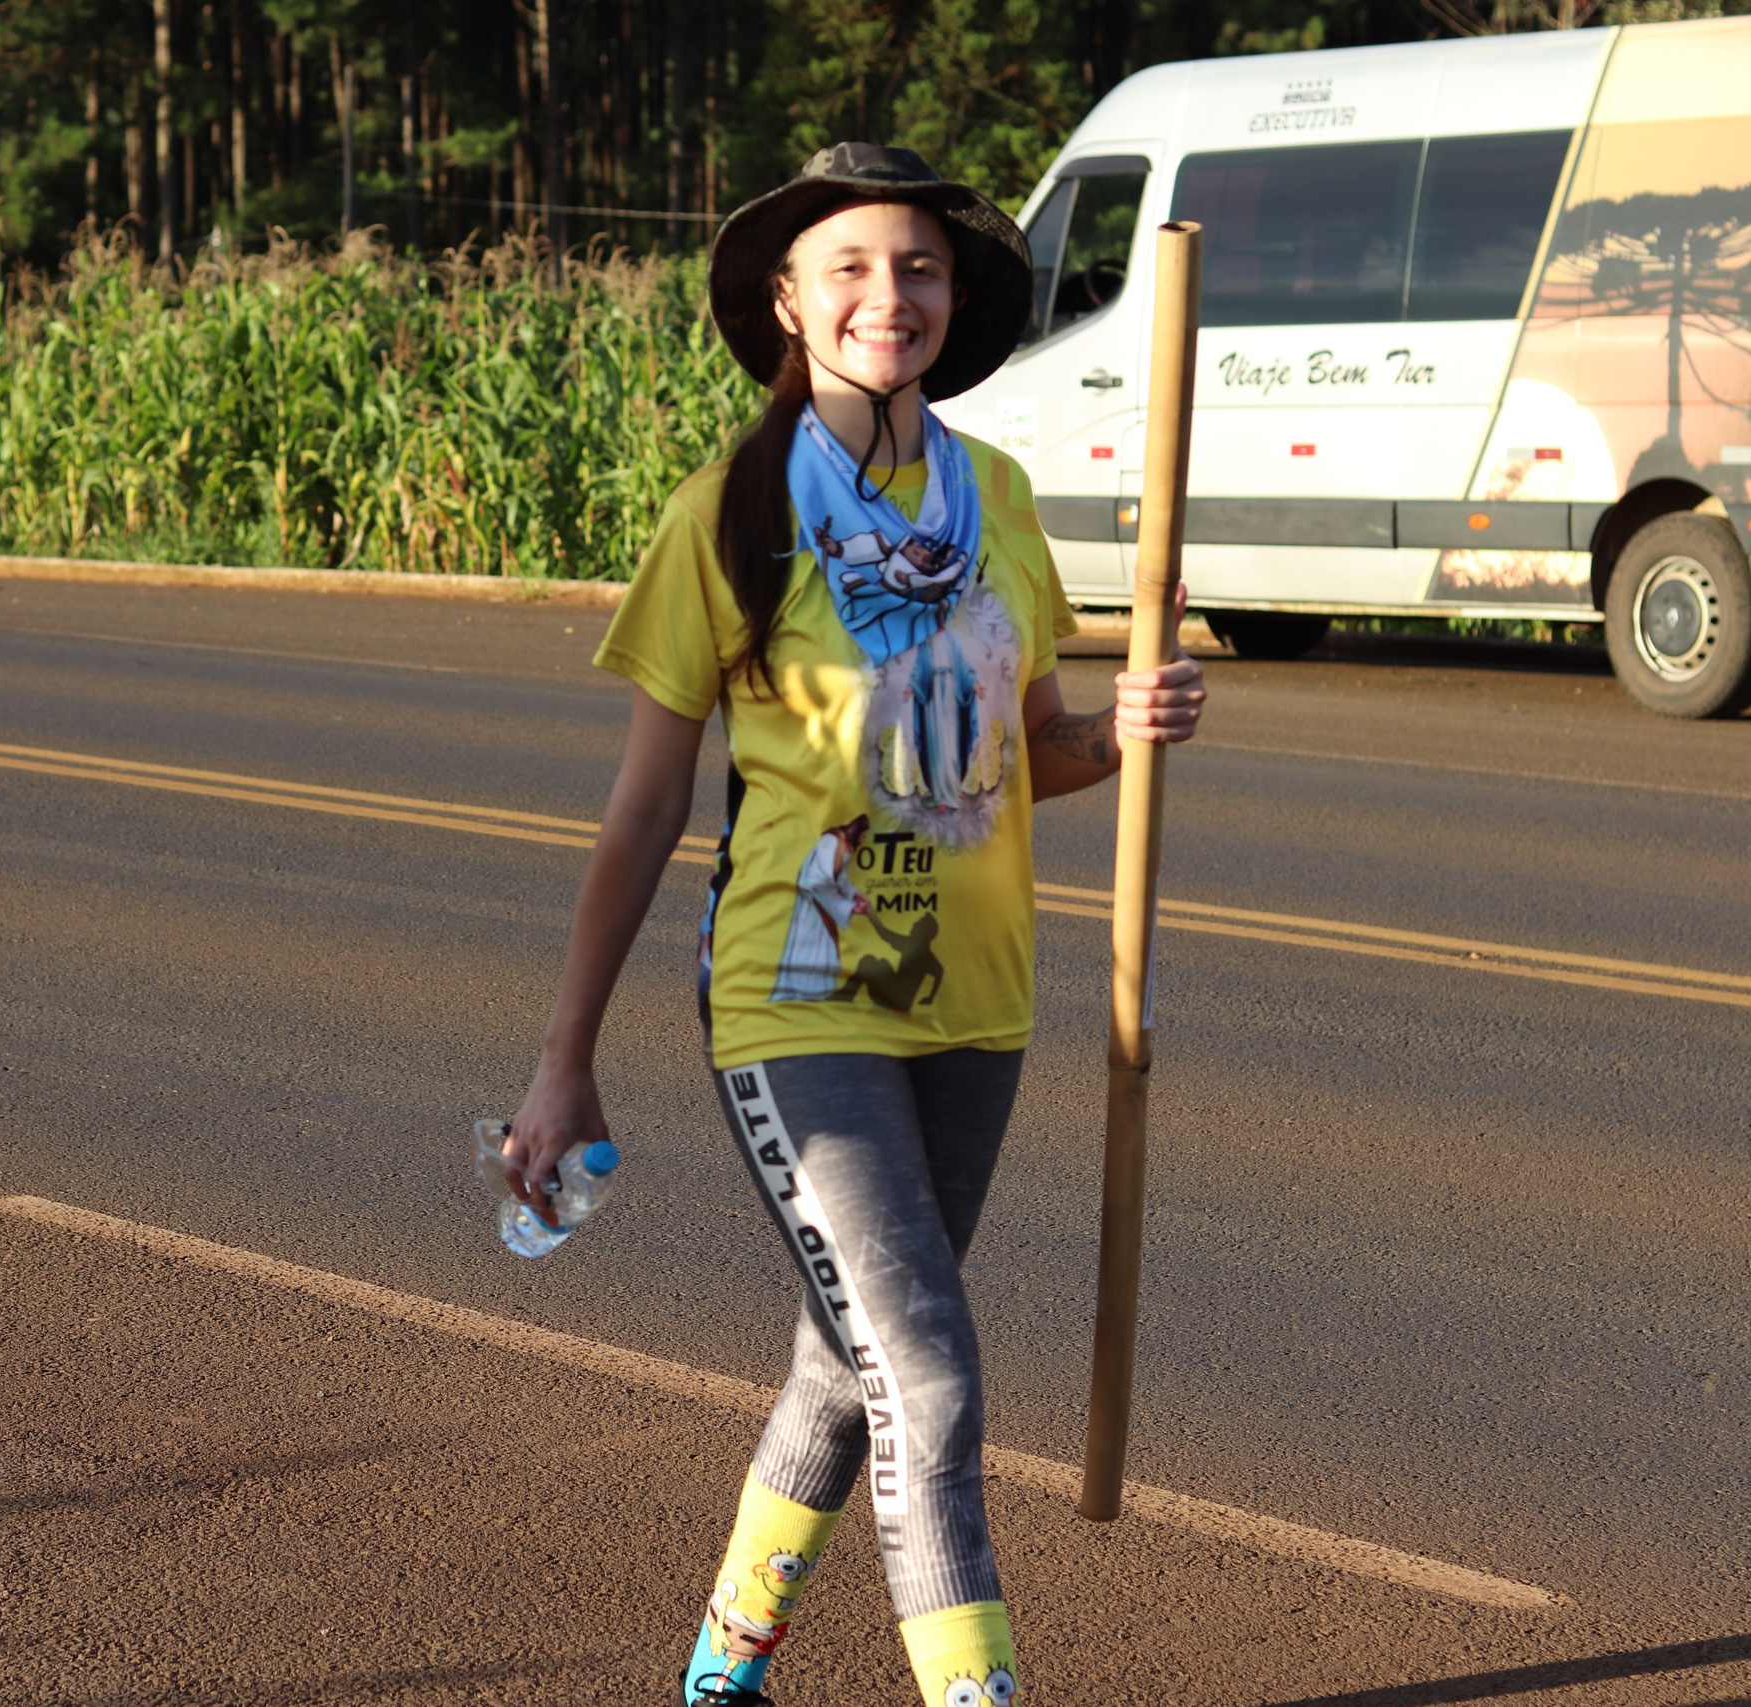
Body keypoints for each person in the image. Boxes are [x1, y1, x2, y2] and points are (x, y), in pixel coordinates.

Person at [499, 144, 1206, 1707]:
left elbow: (1037, 750)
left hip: (978, 1003)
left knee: (851, 1361)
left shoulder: (1001, 501)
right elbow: (640, 810)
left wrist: (1128, 728)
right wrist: (564, 1064)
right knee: (932, 1383)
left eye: (921, 270)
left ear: (955, 301)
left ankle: (720, 1674)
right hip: (794, 999)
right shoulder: (730, 515)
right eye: (853, 270)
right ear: (789, 304)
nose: (891, 297)